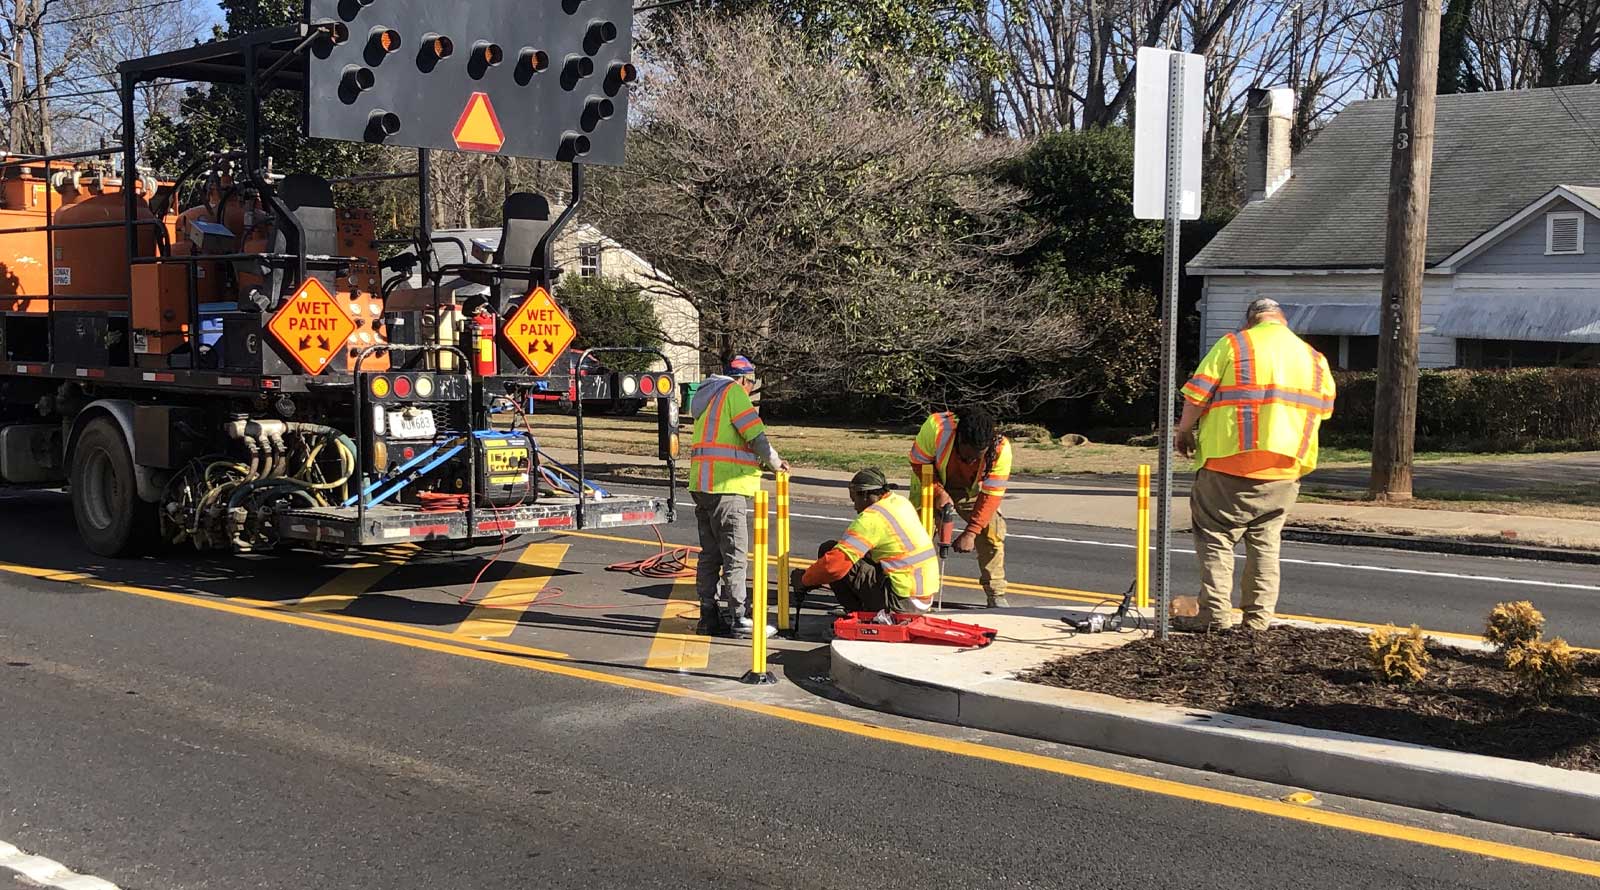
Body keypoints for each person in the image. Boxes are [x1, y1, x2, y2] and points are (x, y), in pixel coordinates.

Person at [1173, 298, 1336, 632]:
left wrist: (1184, 430)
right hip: (1285, 468)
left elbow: (1197, 395)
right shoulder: (1314, 358)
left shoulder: (1235, 344)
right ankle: (1257, 620)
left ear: (1250, 321)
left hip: (1228, 463)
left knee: (1216, 539)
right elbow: (1324, 409)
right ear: (1283, 321)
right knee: (1265, 544)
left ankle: (1214, 616)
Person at [689, 355, 790, 639]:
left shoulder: (707, 396)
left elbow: (726, 442)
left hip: (703, 485)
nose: (750, 389)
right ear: (744, 379)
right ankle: (739, 618)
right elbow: (755, 435)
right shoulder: (733, 392)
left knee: (710, 555)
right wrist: (775, 462)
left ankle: (708, 615)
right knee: (734, 555)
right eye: (751, 383)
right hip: (726, 487)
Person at [790, 468, 939, 615]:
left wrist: (804, 580)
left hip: (901, 603)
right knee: (856, 554)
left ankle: (861, 613)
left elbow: (834, 566)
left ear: (866, 495)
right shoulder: (899, 502)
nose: (855, 507)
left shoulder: (872, 518)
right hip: (922, 599)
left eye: (855, 499)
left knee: (829, 550)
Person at [907, 406, 1012, 607]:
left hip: (970, 491)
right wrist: (939, 492)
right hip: (930, 481)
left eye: (976, 458)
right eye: (966, 457)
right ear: (959, 439)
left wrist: (971, 533)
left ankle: (996, 594)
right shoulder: (936, 428)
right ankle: (914, 592)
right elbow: (918, 463)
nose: (971, 461)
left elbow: (991, 496)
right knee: (919, 537)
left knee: (992, 531)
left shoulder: (1000, 449)